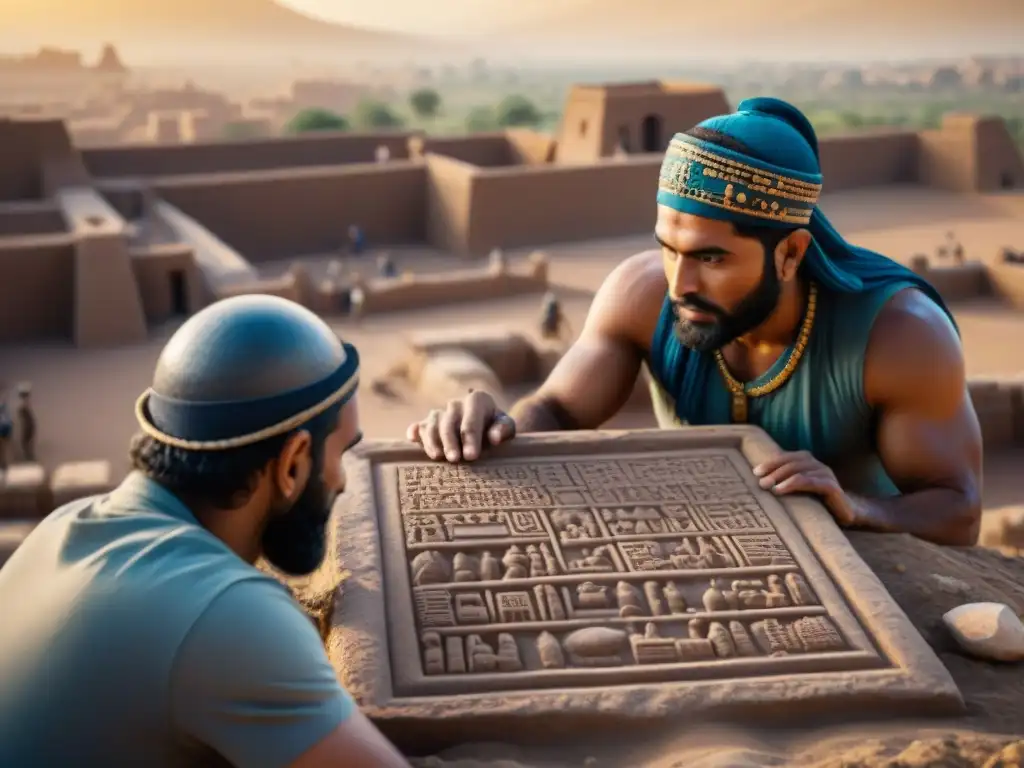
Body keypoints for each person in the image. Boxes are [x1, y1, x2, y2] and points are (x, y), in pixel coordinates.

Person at [407, 98, 982, 548]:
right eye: (669, 249)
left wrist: (855, 506)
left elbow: (958, 509)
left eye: (711, 258)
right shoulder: (641, 294)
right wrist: (498, 427)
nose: (680, 283)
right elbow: (558, 409)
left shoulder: (899, 337)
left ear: (789, 253)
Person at [0, 295, 409, 767]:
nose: (341, 481)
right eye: (341, 454)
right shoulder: (228, 613)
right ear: (293, 463)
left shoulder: (60, 527)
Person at [15, 382, 35, 462]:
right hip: (29, 425)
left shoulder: (23, 404)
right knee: (26, 441)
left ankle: (29, 456)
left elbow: (22, 414)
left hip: (28, 425)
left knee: (25, 442)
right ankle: (29, 456)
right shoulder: (25, 403)